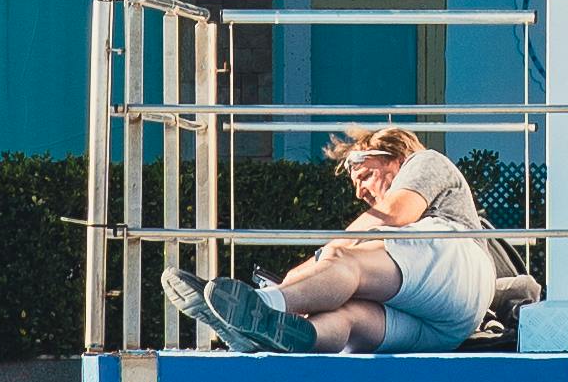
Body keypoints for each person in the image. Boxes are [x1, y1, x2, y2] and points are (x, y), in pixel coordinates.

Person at [198, 124, 508, 356]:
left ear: (394, 158)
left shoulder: (424, 161)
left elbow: (395, 212)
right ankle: (284, 336)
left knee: (346, 261)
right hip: (446, 329)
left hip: (460, 263)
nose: (359, 192)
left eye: (363, 175)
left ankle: (263, 306)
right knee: (348, 316)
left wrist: (327, 254)